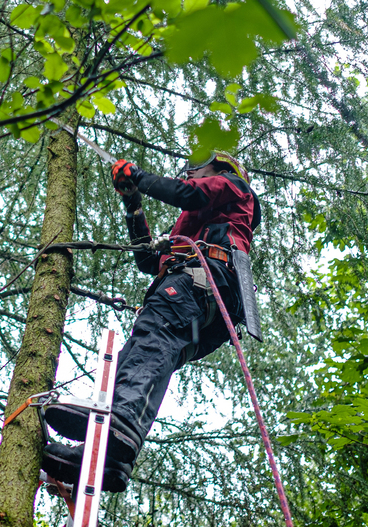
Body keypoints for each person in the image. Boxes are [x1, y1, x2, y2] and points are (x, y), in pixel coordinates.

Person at [41, 151, 262, 493]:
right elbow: (147, 260)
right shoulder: (194, 225)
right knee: (143, 354)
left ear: (220, 169)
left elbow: (186, 192)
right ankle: (112, 459)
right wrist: (133, 201)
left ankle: (122, 422)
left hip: (198, 283)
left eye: (196, 169)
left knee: (153, 339)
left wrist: (137, 174)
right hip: (205, 306)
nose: (190, 173)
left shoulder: (232, 187)